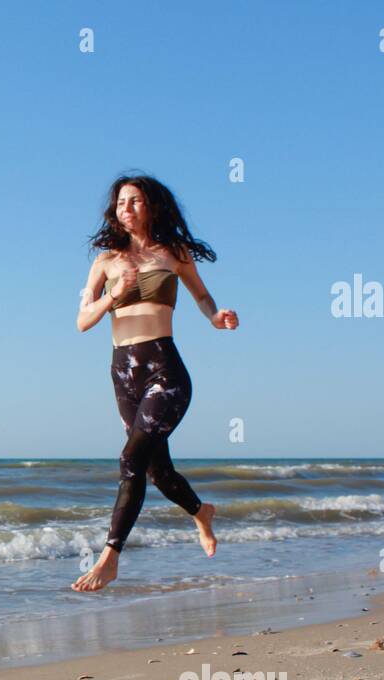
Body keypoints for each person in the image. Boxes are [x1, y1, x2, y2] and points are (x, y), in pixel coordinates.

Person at [72, 174, 239, 592]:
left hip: (165, 369)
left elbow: (202, 296)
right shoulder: (105, 260)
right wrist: (113, 295)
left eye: (135, 201)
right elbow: (81, 322)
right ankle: (202, 513)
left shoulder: (173, 252)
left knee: (130, 458)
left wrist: (216, 318)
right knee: (157, 471)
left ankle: (110, 556)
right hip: (123, 372)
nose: (126, 208)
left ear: (152, 206)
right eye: (121, 202)